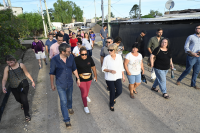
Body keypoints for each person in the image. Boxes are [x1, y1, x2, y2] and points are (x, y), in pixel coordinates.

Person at [50, 43, 80, 128]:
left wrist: (78, 78)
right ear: (62, 52)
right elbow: (51, 73)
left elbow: (74, 68)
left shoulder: (71, 57)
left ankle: (69, 107)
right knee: (63, 102)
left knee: (69, 97)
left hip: (70, 83)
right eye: (68, 51)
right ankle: (67, 120)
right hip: (60, 84)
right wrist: (52, 84)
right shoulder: (54, 60)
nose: (70, 52)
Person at [2, 55, 35, 122]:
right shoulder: (7, 68)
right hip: (14, 87)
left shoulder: (21, 65)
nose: (10, 64)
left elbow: (27, 73)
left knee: (24, 100)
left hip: (23, 85)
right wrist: (3, 86)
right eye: (8, 63)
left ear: (14, 60)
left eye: (11, 62)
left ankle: (27, 115)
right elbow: (4, 79)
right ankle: (22, 103)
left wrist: (32, 81)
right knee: (18, 99)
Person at [102, 44, 125, 111]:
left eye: (111, 50)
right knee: (112, 91)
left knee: (119, 91)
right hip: (109, 78)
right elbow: (103, 68)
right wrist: (110, 70)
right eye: (108, 50)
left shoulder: (119, 57)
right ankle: (111, 104)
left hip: (118, 77)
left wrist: (123, 76)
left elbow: (121, 67)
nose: (109, 51)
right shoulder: (106, 58)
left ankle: (112, 98)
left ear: (115, 50)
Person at [74, 46, 97, 113]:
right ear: (79, 53)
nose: (84, 56)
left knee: (87, 90)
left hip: (89, 78)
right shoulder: (76, 59)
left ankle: (86, 96)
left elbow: (93, 67)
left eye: (85, 54)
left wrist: (95, 76)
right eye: (82, 54)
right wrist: (77, 77)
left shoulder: (89, 58)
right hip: (80, 79)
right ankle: (85, 106)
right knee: (83, 92)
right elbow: (73, 69)